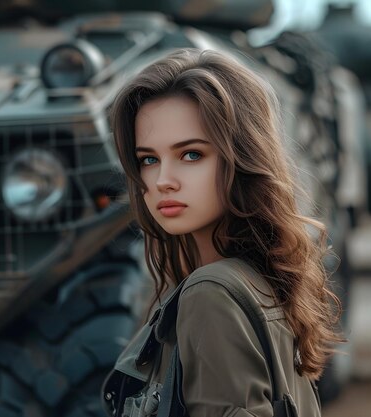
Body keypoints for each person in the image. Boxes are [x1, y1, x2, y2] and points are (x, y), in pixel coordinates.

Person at [103, 48, 342, 417]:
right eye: (148, 159)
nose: (163, 180)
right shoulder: (264, 279)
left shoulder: (211, 292)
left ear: (241, 158)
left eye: (191, 155)